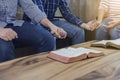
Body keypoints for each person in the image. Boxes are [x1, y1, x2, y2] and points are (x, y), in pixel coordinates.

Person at [0, 0, 67, 62]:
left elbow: (30, 7)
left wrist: (52, 26)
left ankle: (42, 71)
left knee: (48, 38)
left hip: (12, 23)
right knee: (4, 49)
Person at [24, 0, 94, 45]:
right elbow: (39, 15)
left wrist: (84, 25)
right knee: (50, 36)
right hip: (33, 22)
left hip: (51, 20)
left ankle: (78, 59)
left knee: (79, 32)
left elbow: (67, 13)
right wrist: (54, 29)